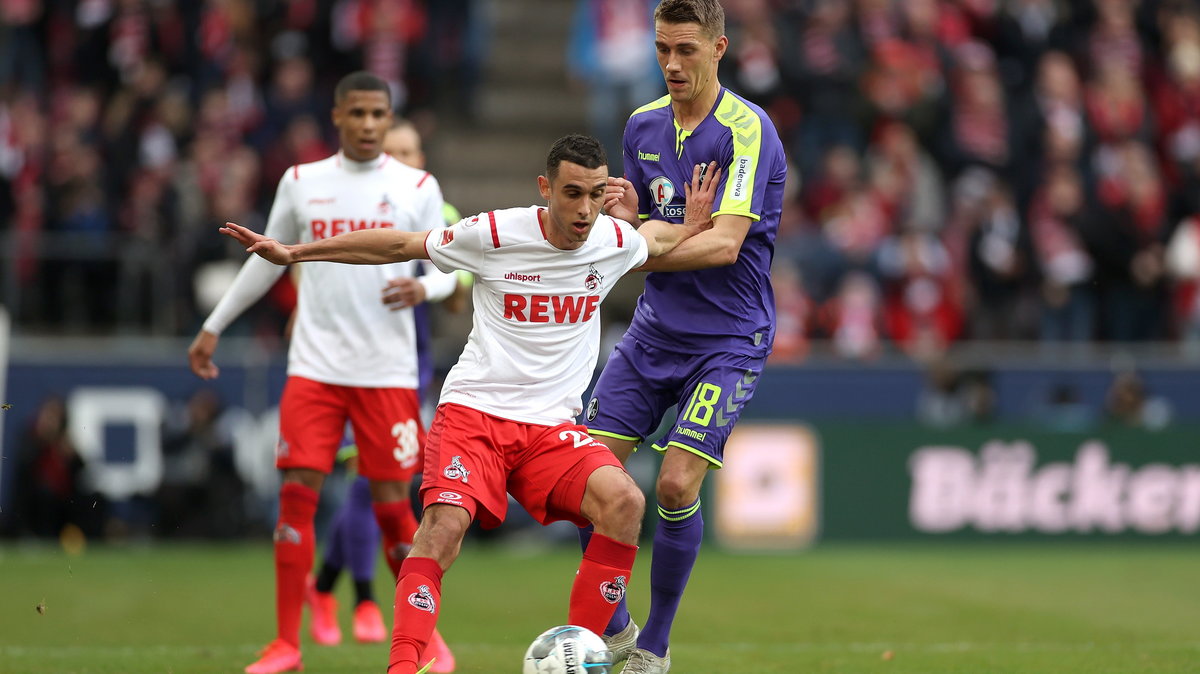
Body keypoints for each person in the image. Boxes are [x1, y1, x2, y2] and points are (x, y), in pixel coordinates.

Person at [217, 133, 720, 674]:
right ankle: (404, 666)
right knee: (442, 530)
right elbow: (398, 246)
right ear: (545, 188)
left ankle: (580, 657)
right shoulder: (495, 232)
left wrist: (691, 224)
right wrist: (295, 252)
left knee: (624, 502)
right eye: (572, 193)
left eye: (597, 195)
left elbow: (658, 241)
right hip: (475, 415)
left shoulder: (613, 239)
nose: (584, 210)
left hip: (549, 430)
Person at [187, 71, 459, 674]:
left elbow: (449, 264)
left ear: (390, 120)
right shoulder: (303, 182)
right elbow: (269, 261)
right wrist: (215, 324)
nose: (367, 125)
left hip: (386, 373)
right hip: (314, 367)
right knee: (295, 500)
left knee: (394, 509)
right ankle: (287, 644)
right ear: (337, 116)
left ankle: (425, 640)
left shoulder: (416, 185)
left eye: (377, 115)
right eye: (357, 113)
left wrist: (425, 287)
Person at [582, 1, 788, 672]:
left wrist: (645, 247)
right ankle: (614, 625)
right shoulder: (642, 125)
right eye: (662, 49)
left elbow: (724, 246)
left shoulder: (747, 130)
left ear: (719, 47)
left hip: (728, 339)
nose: (672, 64)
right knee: (582, 481)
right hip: (654, 333)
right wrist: (639, 227)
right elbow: (640, 232)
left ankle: (654, 647)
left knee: (674, 486)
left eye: (686, 51)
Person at [304, 119, 462, 671]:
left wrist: (436, 287)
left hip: (407, 367)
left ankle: (327, 587)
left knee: (380, 481)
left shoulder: (436, 212)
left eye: (409, 150)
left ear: (421, 156)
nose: (400, 159)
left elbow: (461, 282)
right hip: (350, 360)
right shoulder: (363, 207)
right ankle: (362, 597)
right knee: (368, 478)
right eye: (392, 151)